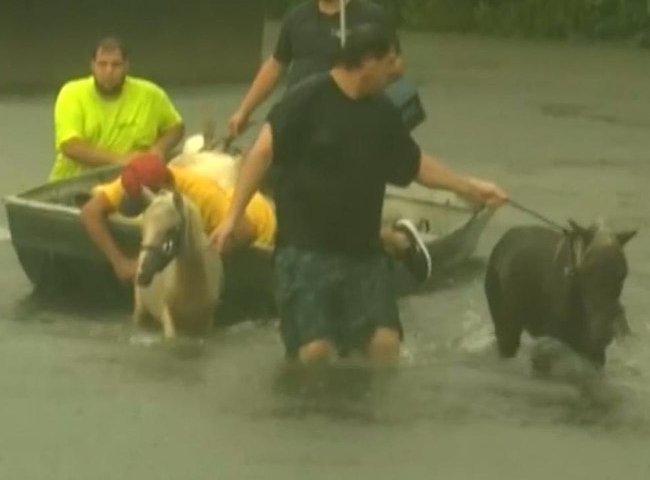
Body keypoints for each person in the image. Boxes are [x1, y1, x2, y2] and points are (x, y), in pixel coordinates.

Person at [210, 22, 508, 370]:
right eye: (389, 62)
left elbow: (414, 164)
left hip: (363, 253)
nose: (395, 72)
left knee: (385, 346)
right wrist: (232, 218)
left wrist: (469, 188)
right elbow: (260, 154)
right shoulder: (305, 100)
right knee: (316, 354)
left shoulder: (382, 112)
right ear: (367, 61)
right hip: (305, 251)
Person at [226, 0, 429, 283]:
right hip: (299, 122)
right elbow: (275, 66)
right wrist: (244, 110)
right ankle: (278, 247)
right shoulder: (297, 19)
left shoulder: (370, 18)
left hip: (346, 126)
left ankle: (395, 241)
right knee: (271, 179)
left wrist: (357, 62)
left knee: (341, 208)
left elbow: (395, 67)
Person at [80, 153, 276, 283]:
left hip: (259, 224)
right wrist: (119, 262)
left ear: (164, 191)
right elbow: (90, 212)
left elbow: (246, 232)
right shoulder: (137, 179)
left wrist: (195, 259)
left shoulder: (203, 196)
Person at [49, 37, 185, 182]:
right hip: (74, 185)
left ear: (126, 66)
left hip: (133, 183)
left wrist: (158, 150)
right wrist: (122, 160)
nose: (109, 71)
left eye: (116, 65)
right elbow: (70, 146)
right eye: (102, 64)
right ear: (92, 66)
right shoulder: (71, 93)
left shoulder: (151, 94)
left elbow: (176, 127)